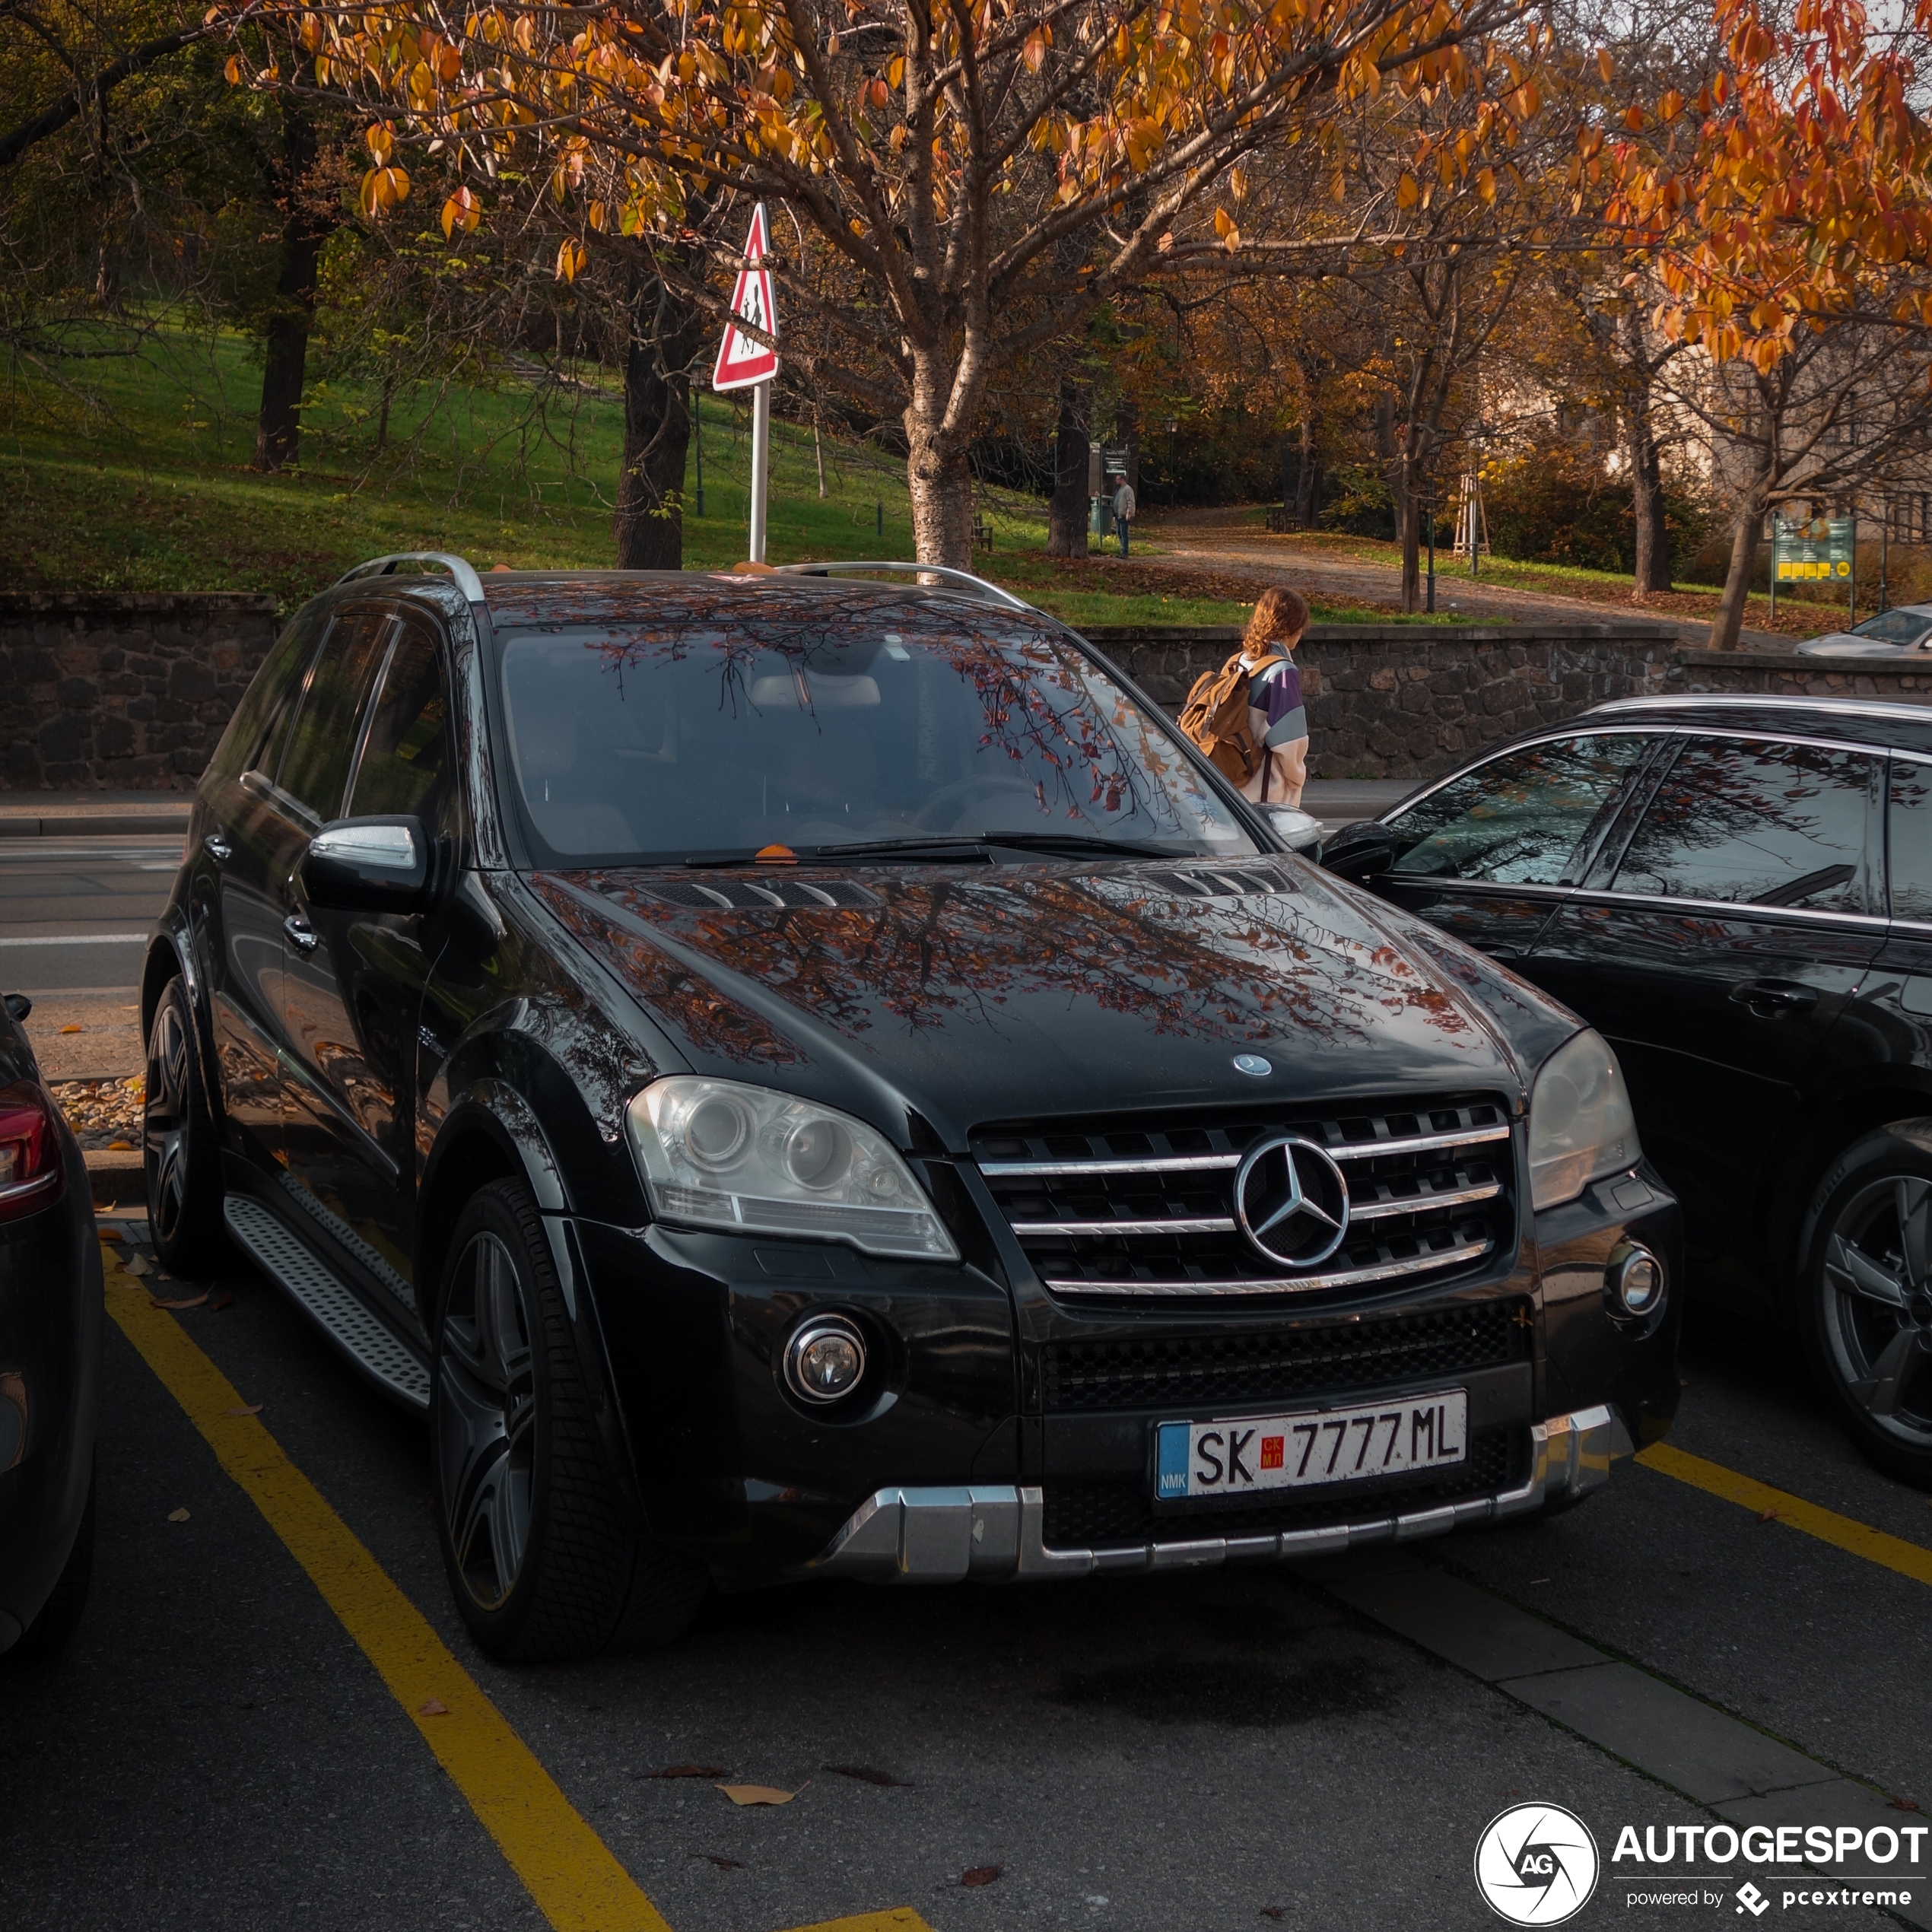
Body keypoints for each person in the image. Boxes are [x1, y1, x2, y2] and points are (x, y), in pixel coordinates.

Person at [1236, 586, 1310, 809]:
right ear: (1292, 629)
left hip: (1232, 787)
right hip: (1266, 797)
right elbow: (1290, 744)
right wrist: (1298, 778)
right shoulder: (1283, 672)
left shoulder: (1238, 662)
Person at [1111, 476, 1136, 557]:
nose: (1116, 481)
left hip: (1124, 515)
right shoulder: (1118, 490)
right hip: (1118, 515)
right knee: (1119, 533)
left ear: (1123, 480)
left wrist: (1129, 513)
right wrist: (1114, 514)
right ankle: (1122, 550)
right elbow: (1116, 502)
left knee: (1123, 533)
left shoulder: (1128, 489)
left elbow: (1131, 502)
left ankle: (1125, 551)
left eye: (1118, 479)